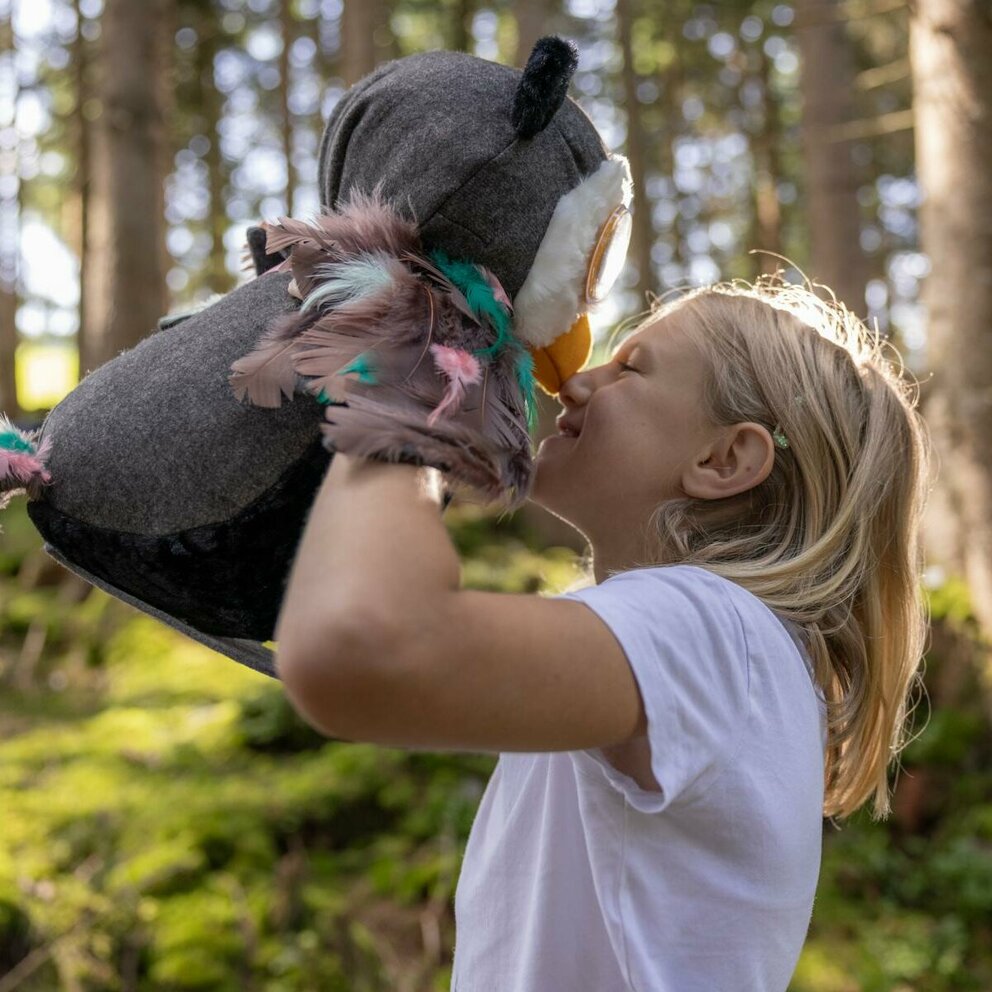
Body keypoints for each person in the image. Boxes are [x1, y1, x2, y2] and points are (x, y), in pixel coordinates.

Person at [273, 272, 933, 992]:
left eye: (631, 369)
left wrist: (414, 388)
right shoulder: (728, 651)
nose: (576, 384)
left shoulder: (715, 632)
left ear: (725, 460)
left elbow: (364, 645)